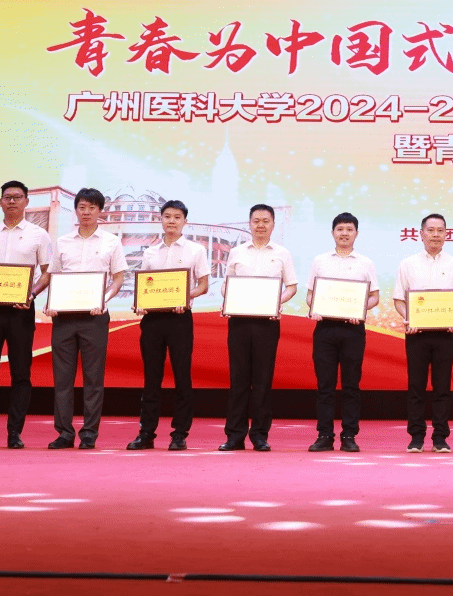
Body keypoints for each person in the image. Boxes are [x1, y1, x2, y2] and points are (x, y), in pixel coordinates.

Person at [0, 180, 52, 450]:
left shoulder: (39, 235)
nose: (12, 201)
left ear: (26, 201)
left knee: (21, 373)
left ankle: (15, 433)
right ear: (1, 202)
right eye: (7, 197)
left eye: (17, 197)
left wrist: (31, 294)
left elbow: (47, 273)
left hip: (20, 311)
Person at [45, 187, 127, 450]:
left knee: (93, 378)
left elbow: (118, 279)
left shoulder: (111, 242)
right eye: (82, 207)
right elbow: (54, 277)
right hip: (64, 318)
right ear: (76, 210)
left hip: (95, 317)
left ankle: (90, 433)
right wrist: (51, 303)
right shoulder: (62, 242)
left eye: (92, 207)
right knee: (62, 378)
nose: (87, 212)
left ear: (100, 211)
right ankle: (64, 432)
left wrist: (103, 300)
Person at [128, 200, 210, 451]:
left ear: (185, 221)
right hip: (152, 320)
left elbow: (203, 286)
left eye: (177, 217)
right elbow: (144, 286)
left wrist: (185, 298)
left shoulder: (196, 250)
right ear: (160, 219)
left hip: (180, 318)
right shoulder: (150, 252)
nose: (171, 221)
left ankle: (180, 434)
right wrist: (140, 303)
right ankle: (146, 433)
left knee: (182, 376)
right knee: (151, 378)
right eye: (167, 216)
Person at [219, 203, 298, 452]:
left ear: (273, 224)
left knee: (263, 380)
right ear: (249, 223)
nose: (260, 225)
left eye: (266, 221)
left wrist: (277, 302)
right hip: (239, 321)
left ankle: (260, 435)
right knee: (238, 379)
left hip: (267, 323)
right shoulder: (237, 252)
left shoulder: (282, 253)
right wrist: (228, 299)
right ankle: (235, 435)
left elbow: (291, 287)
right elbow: (226, 284)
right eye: (256, 221)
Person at [307, 212, 380, 452]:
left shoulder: (365, 263)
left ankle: (349, 435)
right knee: (325, 385)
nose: (344, 233)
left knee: (351, 385)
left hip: (353, 329)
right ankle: (324, 435)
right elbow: (310, 294)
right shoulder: (320, 261)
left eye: (349, 229)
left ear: (356, 233)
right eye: (340, 229)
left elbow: (375, 297)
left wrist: (361, 309)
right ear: (332, 233)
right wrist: (314, 308)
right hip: (325, 328)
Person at [393, 213, 453, 453]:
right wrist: (409, 318)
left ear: (446, 234)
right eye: (431, 230)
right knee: (416, 387)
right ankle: (416, 437)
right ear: (421, 234)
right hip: (417, 334)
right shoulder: (408, 264)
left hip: (445, 335)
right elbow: (399, 299)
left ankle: (440, 437)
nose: (436, 235)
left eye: (440, 231)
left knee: (442, 388)